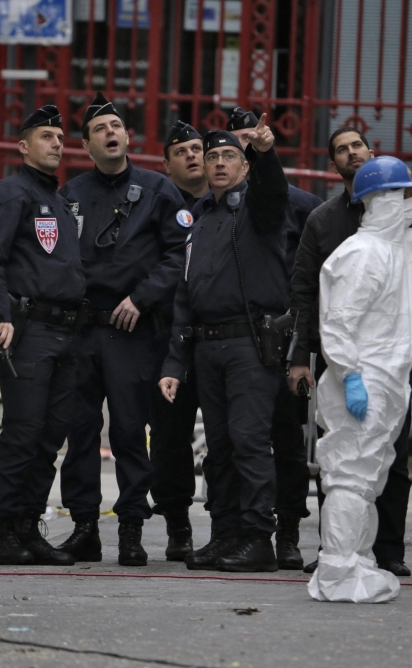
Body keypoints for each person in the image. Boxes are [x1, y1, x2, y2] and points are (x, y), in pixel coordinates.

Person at [289, 126, 412, 577]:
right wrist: (329, 363)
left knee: (386, 462)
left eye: (357, 145)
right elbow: (312, 298)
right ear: (334, 164)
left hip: (391, 364)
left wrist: (407, 339)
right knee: (344, 466)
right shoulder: (332, 225)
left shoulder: (409, 229)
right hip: (353, 365)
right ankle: (338, 554)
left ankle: (383, 552)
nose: (351, 152)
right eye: (342, 149)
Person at [55, 93, 187, 566]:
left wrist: (142, 297)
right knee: (81, 432)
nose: (110, 133)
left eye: (116, 125)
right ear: (87, 145)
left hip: (131, 329)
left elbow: (179, 255)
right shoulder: (70, 195)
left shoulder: (157, 190)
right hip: (83, 329)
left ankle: (130, 528)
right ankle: (85, 527)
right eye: (99, 129)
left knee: (131, 432)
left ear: (128, 136)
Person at [159, 116, 289, 572]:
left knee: (248, 441)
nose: (216, 163)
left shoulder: (259, 208)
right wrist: (175, 362)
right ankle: (226, 532)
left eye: (228, 156)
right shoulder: (200, 220)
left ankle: (257, 539)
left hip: (250, 343)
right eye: (211, 156)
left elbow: (274, 191)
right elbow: (184, 293)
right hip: (206, 346)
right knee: (219, 448)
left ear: (244, 166)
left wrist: (265, 152)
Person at [0, 104, 84, 566]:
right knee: (23, 434)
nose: (56, 143)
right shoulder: (9, 193)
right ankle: (2, 536)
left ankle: (28, 530)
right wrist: (0, 314)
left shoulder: (58, 200)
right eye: (46, 136)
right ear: (23, 146)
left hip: (65, 332)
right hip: (29, 330)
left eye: (59, 136)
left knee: (50, 437)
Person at [309, 156, 412, 603]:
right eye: (397, 193)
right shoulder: (364, 253)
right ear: (373, 201)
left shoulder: (391, 252)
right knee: (350, 476)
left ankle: (356, 560)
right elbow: (339, 322)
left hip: (382, 379)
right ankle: (337, 569)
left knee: (366, 479)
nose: (406, 202)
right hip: (363, 378)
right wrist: (351, 376)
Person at [227, 107, 323, 570]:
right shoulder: (219, 205)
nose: (244, 147)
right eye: (236, 139)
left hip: (283, 343)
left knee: (287, 443)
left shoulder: (300, 205)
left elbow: (309, 280)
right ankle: (238, 530)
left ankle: (287, 532)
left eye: (252, 138)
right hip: (233, 342)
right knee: (236, 442)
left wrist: (302, 340)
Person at [148, 121, 210, 561]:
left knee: (229, 436)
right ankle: (177, 524)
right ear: (165, 163)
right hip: (168, 338)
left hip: (220, 338)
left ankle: (229, 524)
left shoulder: (228, 203)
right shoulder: (157, 205)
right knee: (170, 436)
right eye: (182, 151)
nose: (192, 156)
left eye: (197, 149)